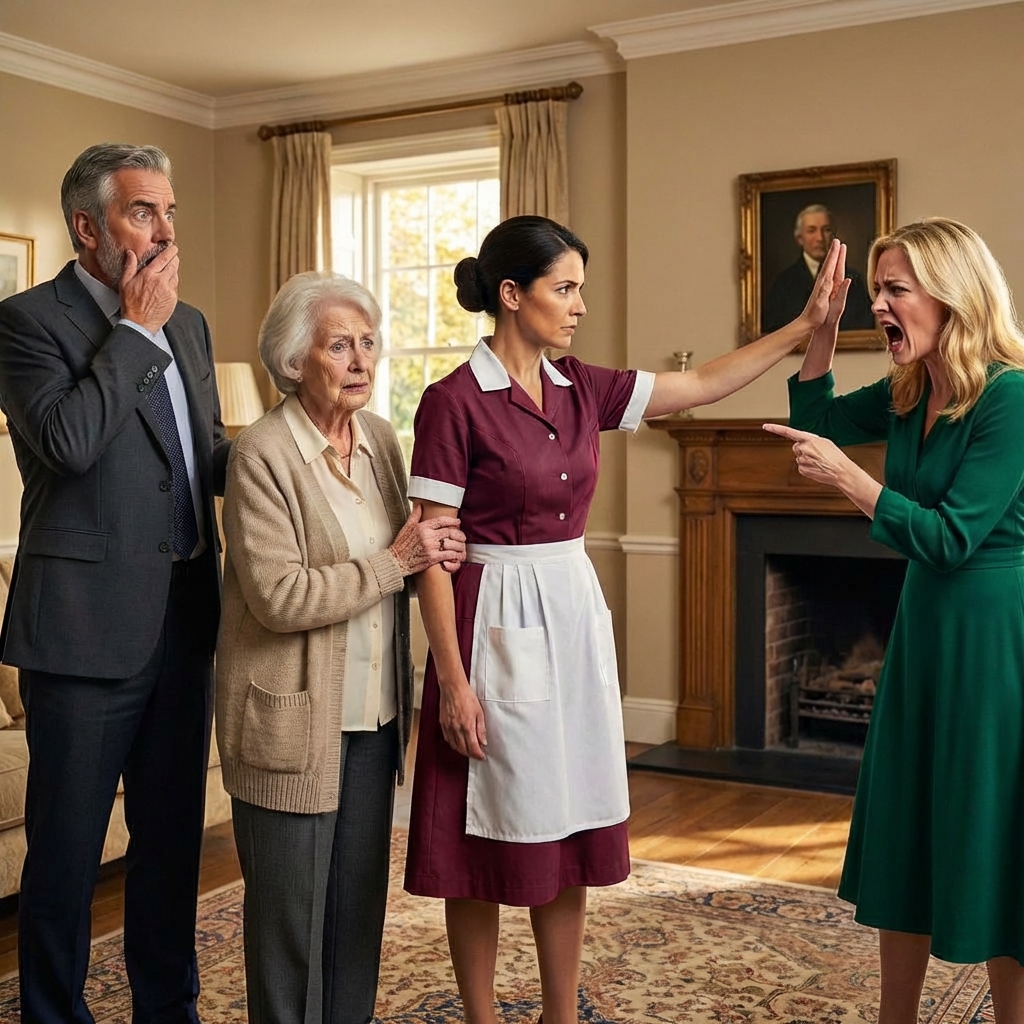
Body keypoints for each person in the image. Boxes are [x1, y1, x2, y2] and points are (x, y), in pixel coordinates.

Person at [404, 214, 847, 1024]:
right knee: (482, 837)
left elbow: (705, 383)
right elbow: (433, 553)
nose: (578, 307)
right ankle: (479, 1015)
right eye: (563, 288)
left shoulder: (582, 386)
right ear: (512, 295)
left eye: (581, 289)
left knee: (566, 819)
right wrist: (455, 684)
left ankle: (560, 1013)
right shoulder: (453, 402)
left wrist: (803, 327)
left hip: (569, 616)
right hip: (491, 619)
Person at [764, 218, 1024, 1023]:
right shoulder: (912, 390)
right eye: (875, 290)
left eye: (894, 290)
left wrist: (852, 481)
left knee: (997, 831)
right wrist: (822, 331)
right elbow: (819, 416)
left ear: (950, 296)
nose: (881, 303)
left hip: (994, 636)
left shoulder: (1012, 396)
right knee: (907, 820)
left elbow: (950, 538)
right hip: (926, 628)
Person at [0, 143, 230, 1022]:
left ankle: (165, 1011)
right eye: (144, 212)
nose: (166, 231)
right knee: (64, 853)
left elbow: (203, 457)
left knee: (171, 845)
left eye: (170, 211)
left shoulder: (194, 325)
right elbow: (68, 443)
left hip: (184, 618)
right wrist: (135, 328)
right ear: (87, 227)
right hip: (83, 629)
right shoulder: (25, 321)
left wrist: (306, 453)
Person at [215, 271, 467, 1024]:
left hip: (376, 724)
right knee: (290, 932)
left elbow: (414, 551)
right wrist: (398, 561)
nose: (362, 360)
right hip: (291, 729)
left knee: (357, 920)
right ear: (294, 361)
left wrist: (437, 547)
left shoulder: (384, 440)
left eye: (367, 343)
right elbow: (280, 596)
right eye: (339, 346)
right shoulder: (260, 455)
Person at [763, 203, 875, 333]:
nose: (820, 238)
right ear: (799, 238)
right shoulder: (783, 283)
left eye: (826, 230)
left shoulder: (853, 280)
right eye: (811, 231)